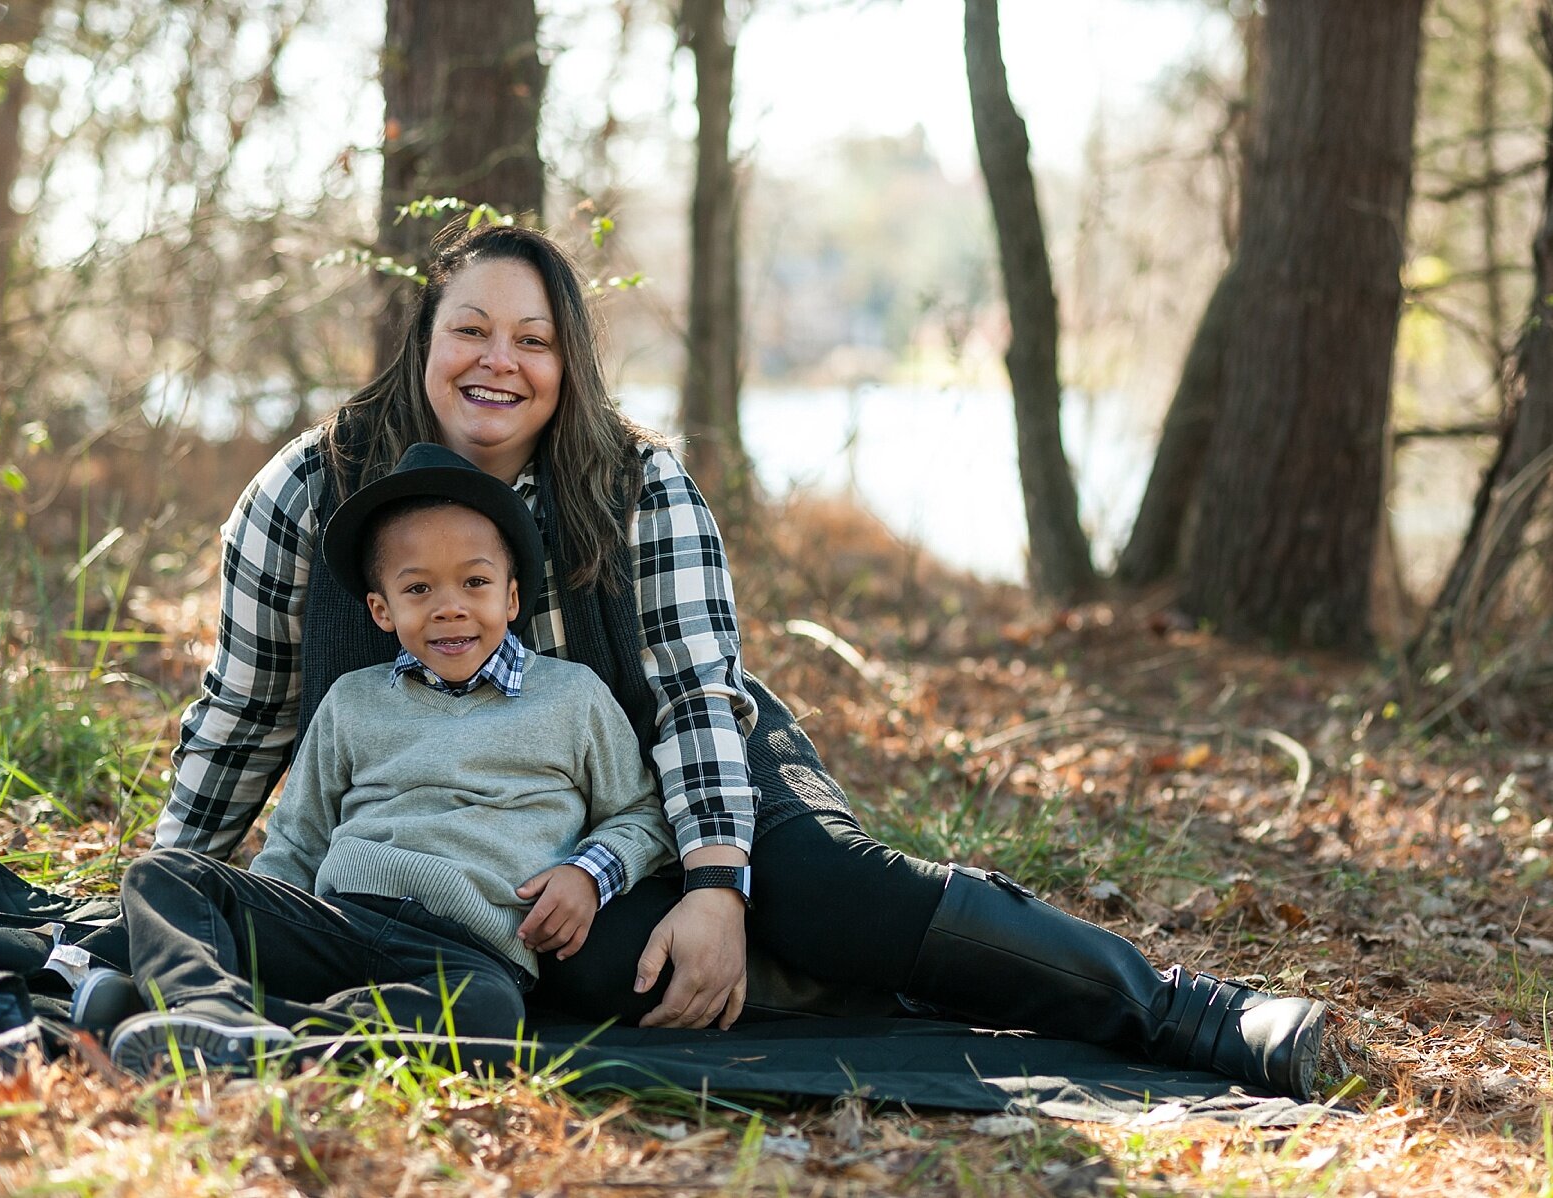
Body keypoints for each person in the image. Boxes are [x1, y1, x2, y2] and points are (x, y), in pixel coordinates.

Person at [153, 219, 1327, 1098]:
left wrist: (717, 884)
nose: (496, 361)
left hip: (685, 761)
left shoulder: (635, 485)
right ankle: (824, 968)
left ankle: (1183, 1009)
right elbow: (247, 709)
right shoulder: (308, 491)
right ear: (424, 342)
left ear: (570, 366)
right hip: (520, 837)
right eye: (469, 328)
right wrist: (173, 875)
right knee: (614, 974)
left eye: (534, 339)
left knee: (826, 895)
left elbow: (690, 698)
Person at [110, 444, 674, 1074]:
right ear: (383, 610)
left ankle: (263, 1030)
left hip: (468, 951)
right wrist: (269, 928)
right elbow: (297, 841)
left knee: (488, 1018)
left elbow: (643, 814)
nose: (450, 605)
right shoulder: (352, 702)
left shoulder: (572, 697)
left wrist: (587, 875)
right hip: (342, 917)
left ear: (512, 599)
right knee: (165, 876)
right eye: (418, 588)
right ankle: (208, 1007)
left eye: (476, 582)